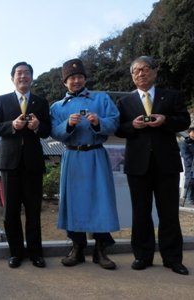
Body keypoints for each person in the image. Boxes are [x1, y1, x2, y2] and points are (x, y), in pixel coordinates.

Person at [115, 56, 190, 275]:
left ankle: (173, 258)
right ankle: (142, 256)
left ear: (155, 72)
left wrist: (165, 119)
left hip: (166, 162)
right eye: (136, 71)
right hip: (137, 164)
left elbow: (184, 120)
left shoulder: (172, 96)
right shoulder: (125, 102)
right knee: (140, 212)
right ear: (132, 76)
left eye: (146, 69)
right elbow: (119, 129)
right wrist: (133, 125)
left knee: (169, 213)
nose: (141, 73)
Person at [50, 58, 120, 269]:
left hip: (96, 154)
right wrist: (67, 125)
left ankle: (100, 250)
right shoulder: (57, 106)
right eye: (71, 78)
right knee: (74, 202)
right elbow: (53, 131)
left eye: (80, 76)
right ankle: (77, 247)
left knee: (100, 201)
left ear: (85, 79)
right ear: (65, 82)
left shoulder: (101, 98)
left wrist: (99, 122)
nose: (76, 80)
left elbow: (115, 121)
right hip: (72, 156)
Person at [0, 62, 51, 269]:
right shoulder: (3, 100)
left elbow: (47, 131)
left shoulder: (41, 102)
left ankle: (36, 253)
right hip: (9, 163)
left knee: (33, 210)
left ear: (32, 77)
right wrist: (12, 126)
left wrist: (37, 126)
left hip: (33, 163)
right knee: (11, 211)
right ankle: (15, 252)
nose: (23, 76)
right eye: (19, 73)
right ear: (12, 78)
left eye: (26, 73)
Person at [180, 127, 194, 205]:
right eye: (193, 132)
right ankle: (190, 198)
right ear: (189, 133)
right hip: (190, 165)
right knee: (190, 181)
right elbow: (184, 153)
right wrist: (191, 162)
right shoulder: (185, 143)